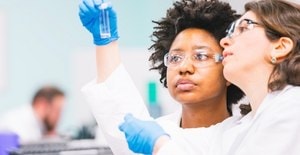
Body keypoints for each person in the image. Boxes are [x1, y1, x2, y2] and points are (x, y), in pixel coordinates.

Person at [119, 0, 300, 155]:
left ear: (280, 47)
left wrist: (160, 146)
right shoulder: (238, 128)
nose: (224, 41)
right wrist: (105, 40)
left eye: (244, 28)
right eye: (175, 58)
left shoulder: (292, 106)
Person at [79, 0, 245, 154]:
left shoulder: (246, 134)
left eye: (200, 56)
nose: (184, 68)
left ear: (228, 66)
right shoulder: (155, 132)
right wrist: (106, 42)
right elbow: (119, 113)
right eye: (175, 58)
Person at [0, 86, 65, 143]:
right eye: (57, 110)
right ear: (42, 104)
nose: (59, 116)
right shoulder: (17, 123)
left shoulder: (37, 124)